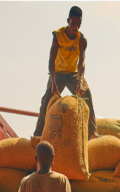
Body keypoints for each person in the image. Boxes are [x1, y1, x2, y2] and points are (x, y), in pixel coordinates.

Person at [34, 6, 99, 140]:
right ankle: (38, 134)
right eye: (73, 23)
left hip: (73, 74)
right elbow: (51, 60)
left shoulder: (82, 40)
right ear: (68, 20)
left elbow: (81, 63)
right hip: (57, 73)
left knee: (86, 95)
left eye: (79, 24)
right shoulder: (58, 36)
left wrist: (80, 81)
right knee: (47, 99)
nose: (75, 27)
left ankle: (92, 133)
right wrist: (53, 82)